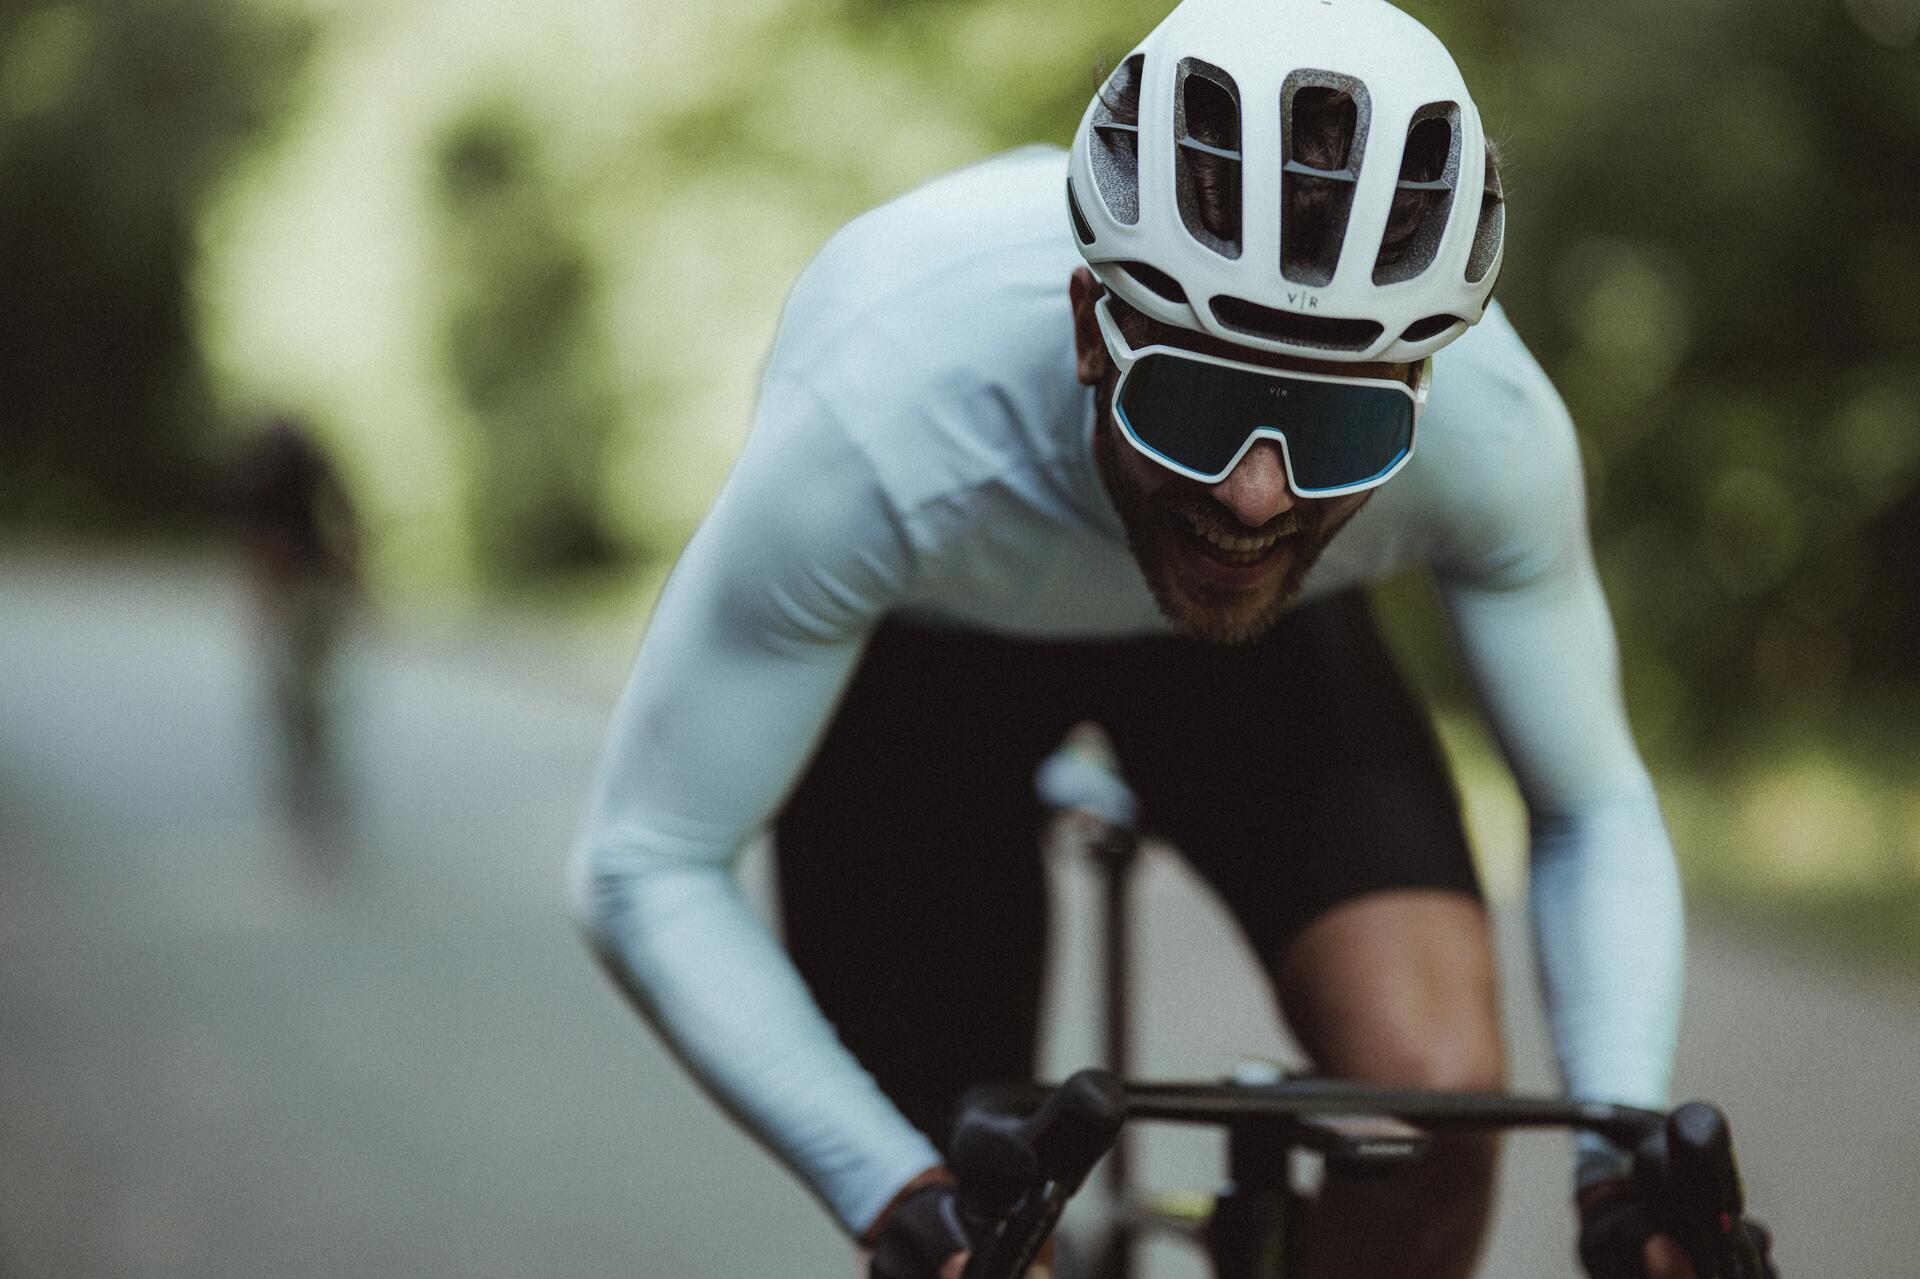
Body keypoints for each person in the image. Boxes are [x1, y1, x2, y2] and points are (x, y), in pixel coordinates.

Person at [571, 1, 1719, 1274]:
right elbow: (648, 862)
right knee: (983, 1223)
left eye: (1338, 433)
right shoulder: (875, 427)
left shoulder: (1490, 434)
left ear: (1418, 395)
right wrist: (897, 1196)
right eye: (1199, 398)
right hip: (928, 652)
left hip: (1269, 651)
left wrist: (1625, 1163)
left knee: (1430, 1104)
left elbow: (1595, 805)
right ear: (1088, 331)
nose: (1255, 494)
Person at [228, 414, 361, 821]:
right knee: (303, 691)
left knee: (297, 692)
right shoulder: (294, 470)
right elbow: (346, 521)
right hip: (302, 589)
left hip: (301, 590)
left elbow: (251, 543)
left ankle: (308, 773)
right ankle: (310, 771)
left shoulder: (263, 475)